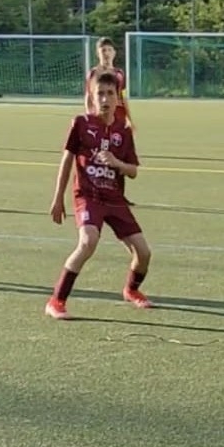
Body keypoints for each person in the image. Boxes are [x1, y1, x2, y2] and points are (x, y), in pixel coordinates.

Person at [45, 68, 152, 319]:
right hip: (88, 196)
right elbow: (67, 161)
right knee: (88, 241)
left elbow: (133, 171)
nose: (105, 99)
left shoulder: (123, 131)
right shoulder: (81, 124)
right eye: (99, 93)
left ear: (118, 98)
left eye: (110, 93)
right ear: (91, 97)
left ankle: (131, 290)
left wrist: (117, 163)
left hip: (114, 199)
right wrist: (58, 198)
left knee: (144, 253)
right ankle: (56, 301)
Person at [86, 37, 133, 130]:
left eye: (109, 50)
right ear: (98, 53)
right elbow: (89, 97)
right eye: (103, 50)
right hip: (99, 115)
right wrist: (89, 116)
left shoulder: (120, 74)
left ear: (114, 53)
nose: (106, 53)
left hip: (118, 116)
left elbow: (123, 97)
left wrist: (129, 118)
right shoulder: (93, 74)